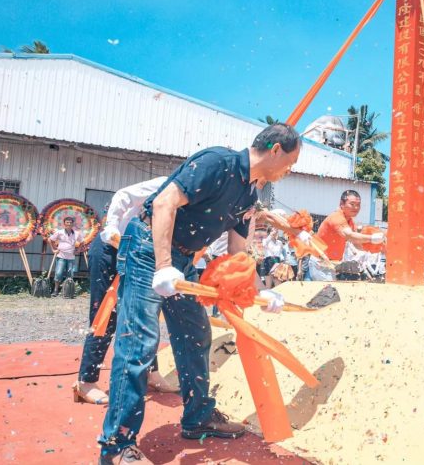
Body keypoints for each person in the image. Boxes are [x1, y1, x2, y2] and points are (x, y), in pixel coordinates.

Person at [98, 123, 300, 465]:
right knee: (140, 342)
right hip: (148, 248)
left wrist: (260, 293)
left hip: (182, 260)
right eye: (290, 162)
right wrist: (163, 265)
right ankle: (117, 446)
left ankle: (198, 417)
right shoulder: (216, 163)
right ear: (276, 150)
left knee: (195, 334)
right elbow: (164, 203)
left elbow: (236, 256)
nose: (289, 170)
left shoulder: (249, 195)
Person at [74, 177, 178, 405]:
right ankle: (86, 381)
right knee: (105, 315)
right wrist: (111, 227)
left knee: (146, 313)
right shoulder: (169, 183)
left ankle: (151, 373)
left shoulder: (201, 202)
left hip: (142, 254)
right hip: (112, 248)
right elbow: (123, 195)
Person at [309, 190, 384, 281]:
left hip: (332, 264)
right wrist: (372, 238)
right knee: (329, 292)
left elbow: (356, 242)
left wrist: (376, 248)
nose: (356, 207)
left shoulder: (350, 222)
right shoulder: (336, 217)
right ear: (342, 203)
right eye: (352, 204)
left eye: (358, 205)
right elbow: (349, 235)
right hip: (320, 263)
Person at [49, 216, 84, 296]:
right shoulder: (59, 232)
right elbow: (51, 240)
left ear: (72, 224)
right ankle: (55, 290)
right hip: (61, 256)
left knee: (70, 274)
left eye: (70, 223)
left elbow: (82, 242)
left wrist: (78, 250)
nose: (69, 224)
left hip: (71, 257)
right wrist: (54, 249)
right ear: (64, 224)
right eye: (67, 222)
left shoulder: (76, 233)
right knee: (58, 273)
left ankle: (67, 291)